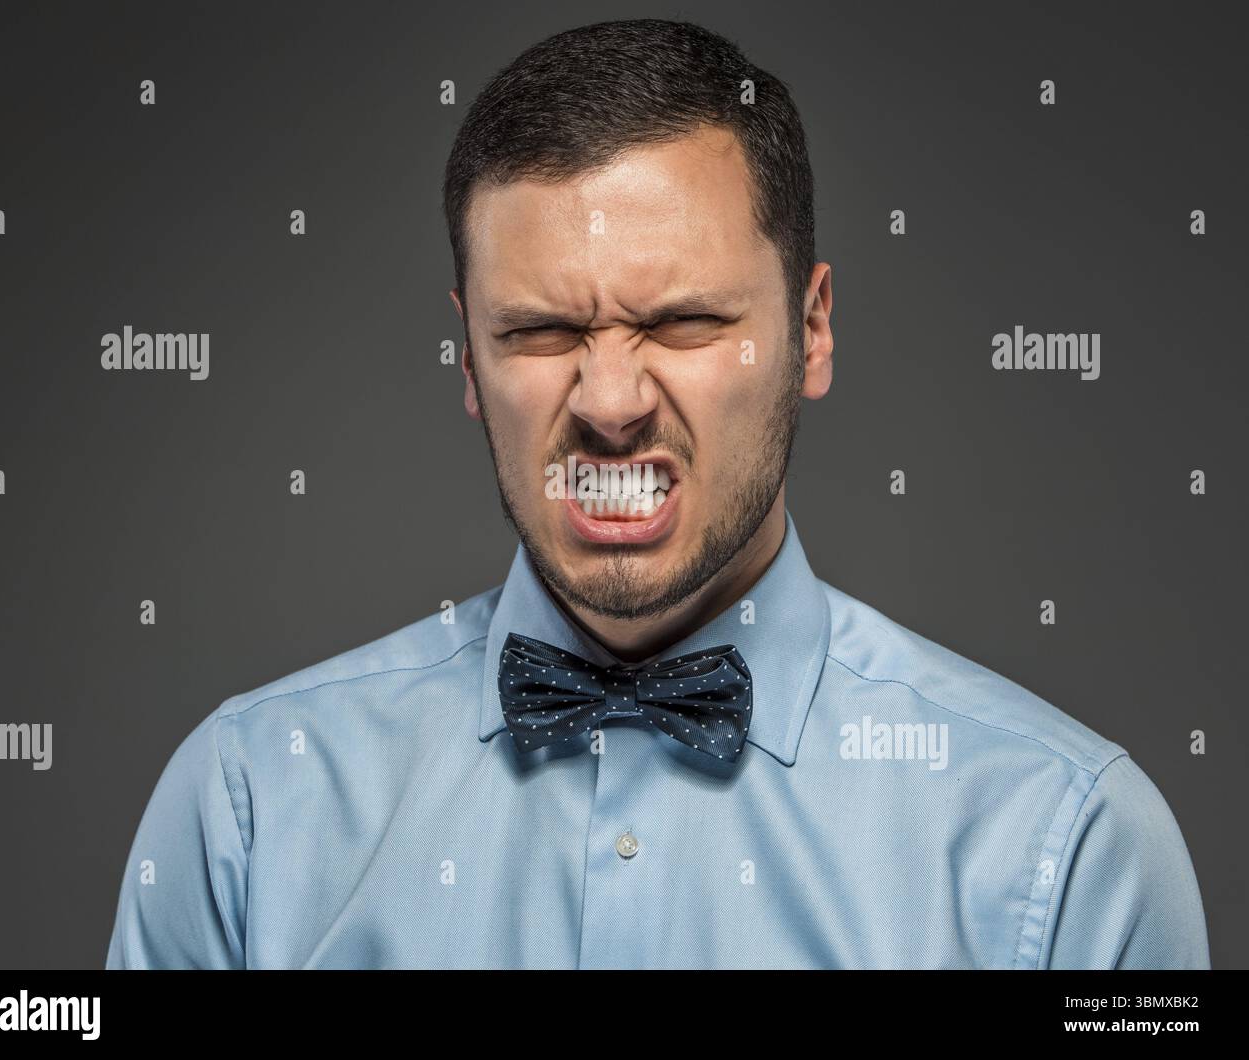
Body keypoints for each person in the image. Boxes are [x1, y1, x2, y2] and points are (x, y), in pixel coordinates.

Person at [106, 18, 1209, 969]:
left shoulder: (1070, 846)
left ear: (811, 330)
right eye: (541, 332)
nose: (612, 401)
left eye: (682, 323)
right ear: (465, 361)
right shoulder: (245, 805)